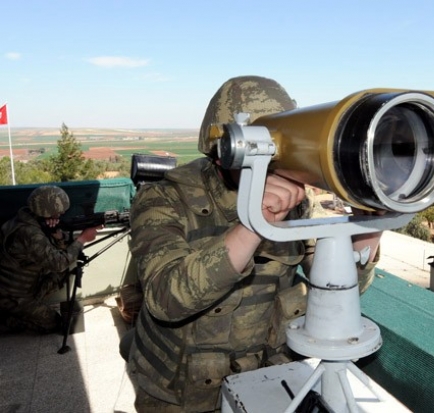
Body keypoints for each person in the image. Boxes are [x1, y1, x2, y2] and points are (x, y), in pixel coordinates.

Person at [126, 75, 383, 412]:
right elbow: (165, 298)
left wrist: (370, 227)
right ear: (224, 151)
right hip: (179, 394)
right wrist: (253, 224)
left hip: (264, 382)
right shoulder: (164, 198)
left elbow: (337, 292)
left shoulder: (297, 202)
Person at [0, 185, 98, 333]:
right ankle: (5, 321)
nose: (62, 213)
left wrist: (58, 236)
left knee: (63, 274)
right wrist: (83, 239)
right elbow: (58, 263)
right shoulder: (30, 233)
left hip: (29, 286)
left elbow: (55, 254)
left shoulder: (27, 217)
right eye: (58, 211)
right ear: (45, 211)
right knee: (53, 323)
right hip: (13, 297)